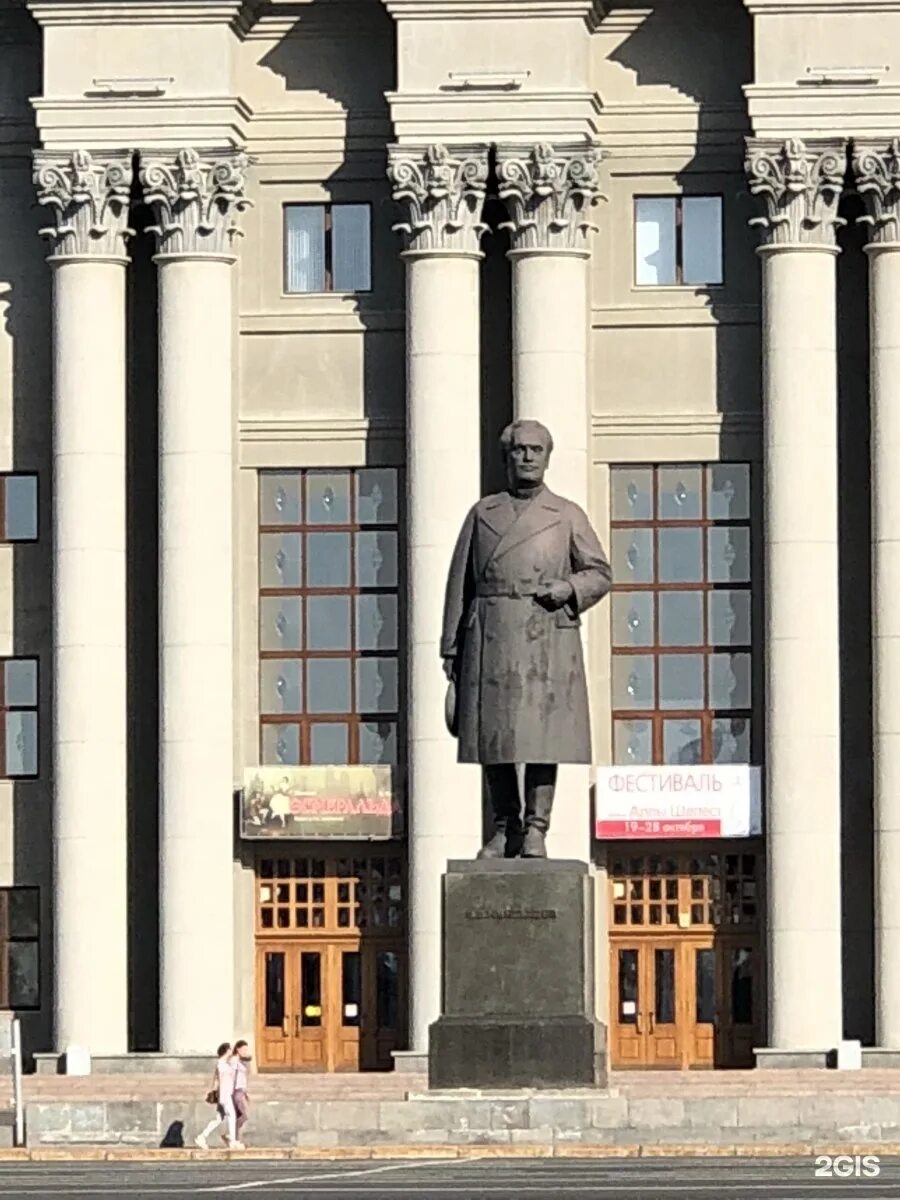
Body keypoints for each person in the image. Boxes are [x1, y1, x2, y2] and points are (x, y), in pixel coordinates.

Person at [442, 419, 612, 859]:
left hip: (544, 633)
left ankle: (536, 828)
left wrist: (569, 589)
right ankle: (504, 828)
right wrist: (451, 648)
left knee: (542, 738)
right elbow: (460, 582)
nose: (528, 456)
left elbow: (599, 572)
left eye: (536, 449)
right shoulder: (483, 513)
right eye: (519, 450)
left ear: (548, 457)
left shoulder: (566, 513)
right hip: (492, 633)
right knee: (494, 741)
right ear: (507, 457)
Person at [194, 1041, 243, 1150]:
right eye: (230, 1049)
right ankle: (233, 1141)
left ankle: (202, 1137)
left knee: (219, 1118)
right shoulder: (221, 1063)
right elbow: (220, 1079)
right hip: (225, 1094)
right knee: (232, 1115)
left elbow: (217, 1079)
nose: (231, 1050)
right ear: (226, 1050)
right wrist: (218, 1092)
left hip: (225, 1093)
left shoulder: (224, 1063)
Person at [231, 1039, 252, 1143]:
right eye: (243, 1049)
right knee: (244, 1115)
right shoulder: (234, 1060)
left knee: (242, 1116)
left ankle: (236, 1138)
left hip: (242, 1090)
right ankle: (232, 1135)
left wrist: (246, 1092)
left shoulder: (240, 1061)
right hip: (237, 1091)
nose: (245, 1051)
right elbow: (232, 1076)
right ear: (238, 1049)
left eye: (246, 1049)